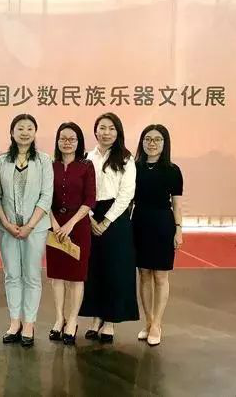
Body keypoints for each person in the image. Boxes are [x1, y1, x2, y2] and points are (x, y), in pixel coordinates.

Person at [0, 114, 53, 347]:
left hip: (35, 228)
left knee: (31, 275)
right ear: (12, 132)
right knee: (12, 275)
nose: (25, 132)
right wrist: (7, 223)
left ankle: (29, 323)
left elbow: (46, 196)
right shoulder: (1, 161)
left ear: (35, 132)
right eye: (20, 128)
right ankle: (14, 322)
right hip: (7, 227)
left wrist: (29, 226)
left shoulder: (44, 160)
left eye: (30, 128)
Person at [79, 112, 139, 343]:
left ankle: (110, 321)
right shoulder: (87, 157)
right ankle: (96, 318)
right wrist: (91, 218)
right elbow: (82, 191)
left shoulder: (126, 158)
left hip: (116, 217)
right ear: (95, 131)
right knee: (94, 269)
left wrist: (106, 221)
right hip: (90, 213)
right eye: (102, 128)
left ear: (118, 132)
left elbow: (126, 194)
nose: (106, 133)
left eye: (111, 128)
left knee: (115, 269)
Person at [133, 124, 183, 346]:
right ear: (142, 142)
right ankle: (148, 321)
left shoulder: (173, 170)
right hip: (139, 223)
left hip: (163, 223)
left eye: (157, 139)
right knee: (144, 274)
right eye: (148, 139)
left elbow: (177, 204)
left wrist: (179, 229)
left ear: (165, 143)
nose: (152, 143)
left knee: (161, 276)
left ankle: (157, 324)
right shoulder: (134, 168)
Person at [46, 122, 96, 346]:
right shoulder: (50, 165)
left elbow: (90, 199)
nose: (67, 142)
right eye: (63, 138)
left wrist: (70, 224)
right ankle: (59, 318)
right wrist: (55, 223)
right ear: (57, 141)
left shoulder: (86, 166)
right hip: (54, 225)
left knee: (76, 277)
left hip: (78, 226)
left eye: (71, 139)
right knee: (57, 276)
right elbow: (44, 197)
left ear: (79, 142)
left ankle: (73, 321)